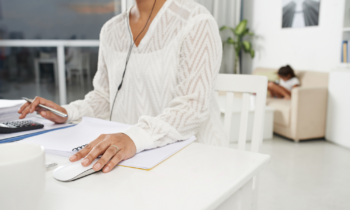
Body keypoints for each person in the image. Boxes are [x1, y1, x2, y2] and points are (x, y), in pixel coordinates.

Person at [18, 0, 226, 173]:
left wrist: (133, 137)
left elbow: (191, 108)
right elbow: (104, 96)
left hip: (193, 162)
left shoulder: (196, 21)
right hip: (130, 162)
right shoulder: (111, 29)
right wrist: (67, 112)